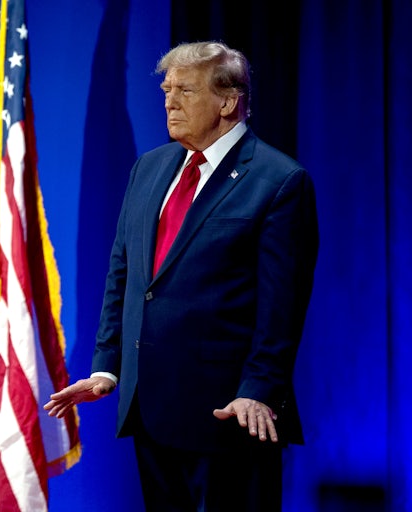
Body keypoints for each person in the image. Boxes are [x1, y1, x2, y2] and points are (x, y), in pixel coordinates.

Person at [44, 41, 319, 511]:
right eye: (167, 89)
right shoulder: (149, 168)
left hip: (228, 416)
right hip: (151, 409)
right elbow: (125, 275)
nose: (169, 101)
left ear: (229, 101)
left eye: (186, 91)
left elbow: (283, 307)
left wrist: (258, 390)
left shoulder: (279, 181)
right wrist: (107, 366)